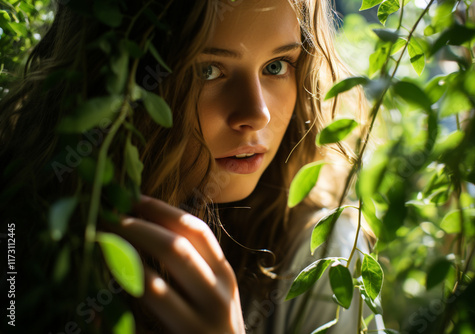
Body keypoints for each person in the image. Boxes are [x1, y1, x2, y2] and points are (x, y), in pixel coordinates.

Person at [0, 0, 383, 332]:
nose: (257, 114)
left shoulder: (323, 258)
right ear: (118, 84)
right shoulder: (22, 223)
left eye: (277, 66)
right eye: (208, 71)